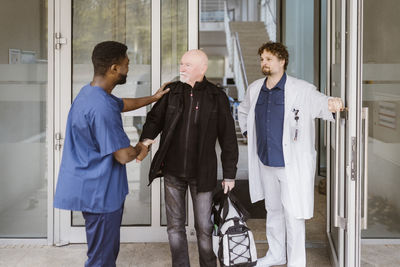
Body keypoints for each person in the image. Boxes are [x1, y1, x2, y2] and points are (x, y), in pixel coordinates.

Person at [53, 41, 169, 267]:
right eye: (126, 64)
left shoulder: (91, 94)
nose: (128, 68)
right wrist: (142, 148)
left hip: (94, 190)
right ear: (114, 68)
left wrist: (154, 98)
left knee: (102, 253)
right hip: (100, 194)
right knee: (101, 259)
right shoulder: (101, 107)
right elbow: (123, 155)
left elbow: (123, 104)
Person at [238, 42, 343, 267]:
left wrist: (332, 103)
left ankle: (296, 262)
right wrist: (250, 134)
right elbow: (244, 110)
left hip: (290, 164)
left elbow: (320, 102)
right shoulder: (255, 88)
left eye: (268, 59)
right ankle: (276, 254)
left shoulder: (301, 89)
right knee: (273, 210)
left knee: (293, 214)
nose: (263, 63)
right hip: (265, 161)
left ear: (282, 61)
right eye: (262, 59)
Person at [139, 49, 238, 267]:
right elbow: (154, 120)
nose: (182, 68)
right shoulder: (172, 91)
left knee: (204, 227)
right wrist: (145, 141)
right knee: (175, 227)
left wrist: (229, 174)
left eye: (187, 65)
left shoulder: (216, 96)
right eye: (181, 64)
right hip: (173, 172)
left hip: (202, 174)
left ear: (202, 69)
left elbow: (228, 137)